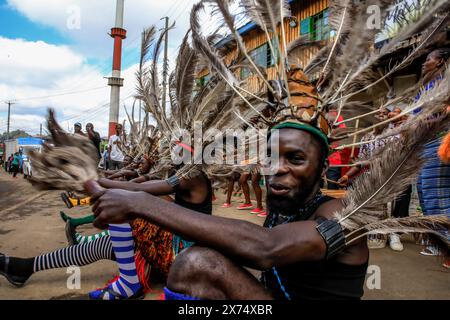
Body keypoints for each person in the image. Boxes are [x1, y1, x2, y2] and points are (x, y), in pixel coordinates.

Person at [415, 48, 450, 258]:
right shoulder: (427, 85)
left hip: (438, 141)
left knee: (437, 193)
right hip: (425, 142)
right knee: (425, 192)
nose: (424, 62)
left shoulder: (445, 82)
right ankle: (437, 242)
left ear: (440, 62)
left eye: (428, 59)